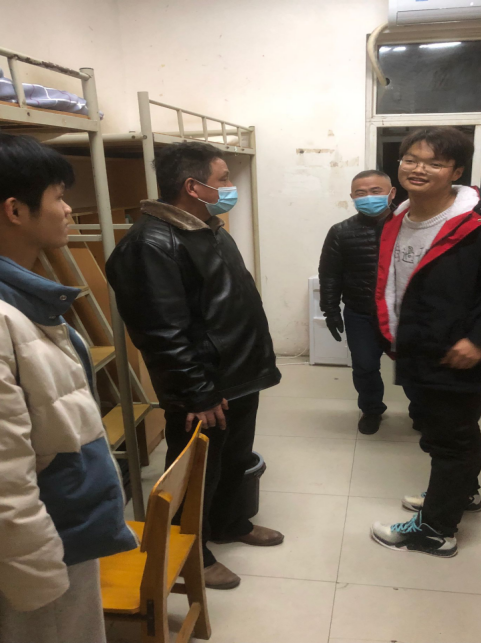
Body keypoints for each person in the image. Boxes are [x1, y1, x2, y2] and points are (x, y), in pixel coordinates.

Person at [0, 127, 137, 643]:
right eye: (58, 197)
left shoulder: (5, 301)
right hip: (41, 552)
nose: (68, 210)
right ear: (14, 211)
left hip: (59, 533)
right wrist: (38, 578)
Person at [106, 141, 284, 591]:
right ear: (193, 186)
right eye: (223, 179)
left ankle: (229, 523)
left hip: (237, 374)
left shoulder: (207, 227)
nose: (229, 187)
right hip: (205, 386)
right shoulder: (150, 244)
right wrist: (196, 392)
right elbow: (161, 331)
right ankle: (190, 552)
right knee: (196, 473)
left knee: (234, 458)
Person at [371, 127, 481, 557]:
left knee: (450, 441)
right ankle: (460, 494)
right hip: (418, 348)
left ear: (456, 171)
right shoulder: (398, 217)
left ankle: (435, 530)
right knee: (450, 433)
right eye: (411, 159)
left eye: (434, 163)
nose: (418, 169)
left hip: (459, 355)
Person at [319, 170, 396, 435]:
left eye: (375, 191)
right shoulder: (341, 232)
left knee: (413, 366)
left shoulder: (410, 225)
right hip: (361, 312)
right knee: (364, 366)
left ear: (391, 193)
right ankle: (372, 409)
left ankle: (421, 411)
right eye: (360, 193)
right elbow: (330, 274)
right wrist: (330, 310)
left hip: (403, 313)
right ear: (352, 197)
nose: (368, 197)